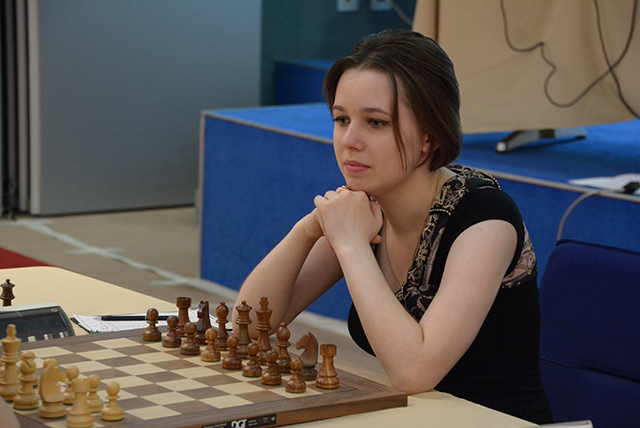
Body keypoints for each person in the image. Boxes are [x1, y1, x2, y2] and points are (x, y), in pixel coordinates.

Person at [234, 29, 553, 424]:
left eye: (376, 122)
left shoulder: (485, 219)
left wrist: (350, 247)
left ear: (429, 136)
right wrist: (307, 230)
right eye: (341, 119)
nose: (349, 140)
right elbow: (248, 328)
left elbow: (413, 372)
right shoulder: (367, 205)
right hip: (419, 419)